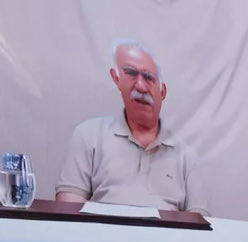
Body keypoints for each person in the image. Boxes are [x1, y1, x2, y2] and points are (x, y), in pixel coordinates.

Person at [56, 39, 204, 213]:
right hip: (101, 237)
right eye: (131, 73)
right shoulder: (88, 135)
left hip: (165, 239)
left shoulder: (186, 155)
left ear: (162, 92)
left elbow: (200, 221)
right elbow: (68, 210)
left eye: (149, 78)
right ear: (117, 79)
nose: (140, 86)